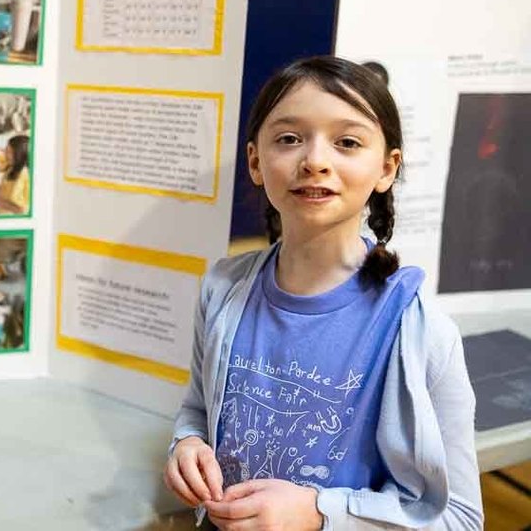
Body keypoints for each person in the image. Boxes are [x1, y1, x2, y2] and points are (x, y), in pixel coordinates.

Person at [164, 56, 481, 530]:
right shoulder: (223, 289)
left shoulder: (419, 331)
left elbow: (460, 518)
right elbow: (198, 409)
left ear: (386, 167)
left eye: (347, 142)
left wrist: (319, 513)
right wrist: (187, 444)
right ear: (255, 160)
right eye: (289, 139)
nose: (315, 161)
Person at [0, 134, 30, 215]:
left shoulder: (22, 174)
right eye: (6, 150)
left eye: (9, 152)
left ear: (19, 154)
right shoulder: (12, 166)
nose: (5, 153)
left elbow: (20, 210)